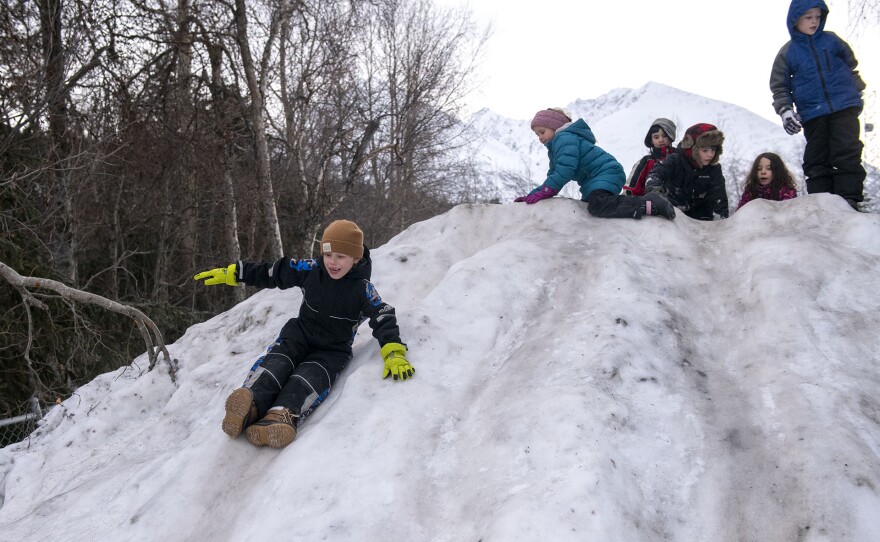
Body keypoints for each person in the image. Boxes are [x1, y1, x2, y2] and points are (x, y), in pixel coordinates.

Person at [194, 219, 414, 449]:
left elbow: (383, 315)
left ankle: (282, 415)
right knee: (276, 364)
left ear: (355, 258)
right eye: (328, 255)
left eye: (341, 256)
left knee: (308, 379)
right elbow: (275, 272)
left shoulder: (363, 289)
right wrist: (236, 272)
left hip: (331, 350)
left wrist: (393, 351)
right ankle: (251, 404)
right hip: (298, 335)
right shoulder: (311, 269)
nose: (333, 262)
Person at [770, 0, 867, 210]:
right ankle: (823, 204)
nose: (814, 21)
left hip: (844, 105)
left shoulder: (832, 41)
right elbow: (779, 86)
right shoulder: (788, 53)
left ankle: (849, 201)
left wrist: (856, 87)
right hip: (813, 112)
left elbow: (850, 64)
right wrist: (786, 111)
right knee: (817, 157)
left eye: (817, 16)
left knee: (847, 150)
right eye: (808, 17)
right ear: (795, 20)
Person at [514, 107, 675, 220]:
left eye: (542, 132)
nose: (540, 137)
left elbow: (564, 172)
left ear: (555, 127)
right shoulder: (557, 146)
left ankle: (649, 204)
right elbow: (553, 174)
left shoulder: (564, 139)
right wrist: (534, 194)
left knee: (598, 205)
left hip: (606, 173)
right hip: (597, 177)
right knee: (594, 205)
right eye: (537, 135)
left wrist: (547, 191)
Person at [645, 123, 729, 221]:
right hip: (673, 216)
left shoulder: (714, 169)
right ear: (693, 149)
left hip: (703, 222)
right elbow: (655, 176)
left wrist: (721, 223)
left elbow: (719, 199)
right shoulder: (675, 160)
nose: (710, 155)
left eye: (713, 149)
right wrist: (657, 197)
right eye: (705, 150)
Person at [624, 118, 677, 197]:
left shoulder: (679, 157)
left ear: (671, 136)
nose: (661, 140)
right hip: (650, 204)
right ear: (651, 140)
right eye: (656, 137)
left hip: (680, 204)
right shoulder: (645, 162)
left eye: (664, 136)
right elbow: (630, 189)